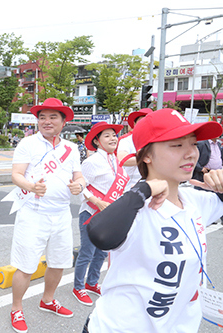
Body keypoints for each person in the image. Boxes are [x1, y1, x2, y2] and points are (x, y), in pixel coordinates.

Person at [84, 109, 223, 333]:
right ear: (146, 155)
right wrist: (144, 189)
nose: (191, 153)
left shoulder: (196, 201)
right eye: (177, 145)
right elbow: (100, 233)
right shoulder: (134, 209)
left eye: (194, 143)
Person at [8, 98, 86, 333]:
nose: (46, 121)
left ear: (63, 122)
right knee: (25, 266)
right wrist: (31, 186)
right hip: (33, 213)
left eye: (53, 117)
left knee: (59, 262)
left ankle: (48, 300)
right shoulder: (28, 143)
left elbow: (79, 176)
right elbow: (16, 174)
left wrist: (79, 186)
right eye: (42, 117)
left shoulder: (71, 148)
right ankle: (16, 308)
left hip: (62, 213)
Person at [72, 122, 127, 307]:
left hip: (110, 215)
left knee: (102, 253)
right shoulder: (91, 162)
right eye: (107, 136)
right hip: (91, 213)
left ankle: (92, 282)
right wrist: (96, 201)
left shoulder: (116, 161)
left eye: (114, 135)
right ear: (97, 141)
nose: (113, 138)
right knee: (87, 253)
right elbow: (80, 187)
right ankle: (78, 287)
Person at [117, 108, 153, 191]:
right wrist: (151, 159)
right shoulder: (126, 140)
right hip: (129, 187)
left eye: (148, 122)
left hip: (153, 186)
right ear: (135, 124)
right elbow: (122, 160)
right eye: (141, 122)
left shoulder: (159, 141)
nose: (144, 125)